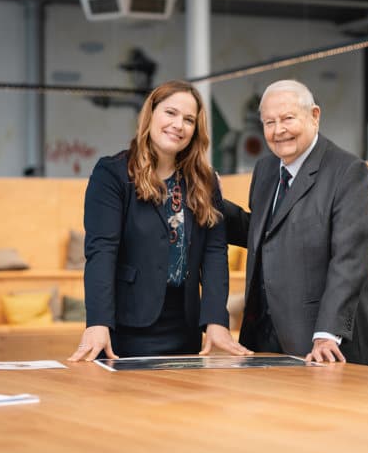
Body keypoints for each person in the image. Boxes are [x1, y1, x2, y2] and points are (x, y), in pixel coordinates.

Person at [70, 80, 251, 361]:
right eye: (171, 113)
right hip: (128, 326)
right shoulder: (113, 174)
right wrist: (97, 322)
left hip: (185, 327)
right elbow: (101, 251)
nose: (179, 125)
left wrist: (216, 321)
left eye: (189, 119)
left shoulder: (204, 182)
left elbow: (215, 253)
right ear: (151, 114)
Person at [223, 79, 368, 366]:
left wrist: (326, 334)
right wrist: (208, 201)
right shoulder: (266, 169)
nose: (278, 130)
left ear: (314, 116)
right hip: (264, 334)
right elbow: (267, 233)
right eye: (269, 122)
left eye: (287, 118)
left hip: (322, 342)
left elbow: (350, 258)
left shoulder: (348, 172)